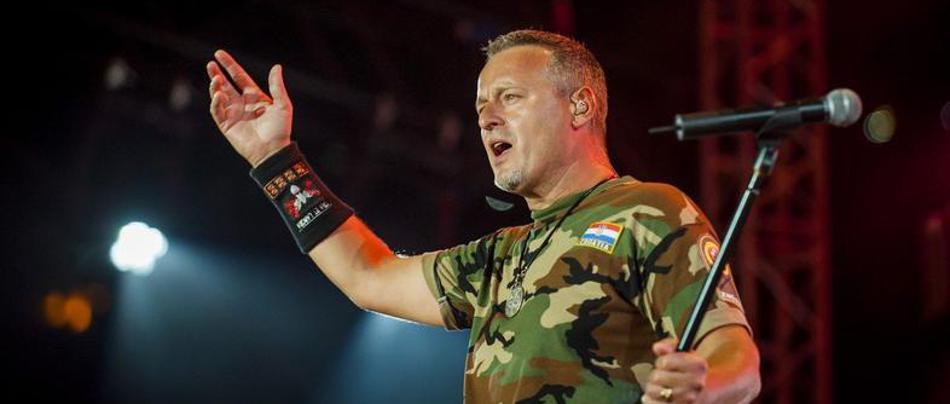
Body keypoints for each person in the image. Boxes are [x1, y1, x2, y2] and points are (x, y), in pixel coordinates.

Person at [207, 29, 760, 403]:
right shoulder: (501, 254)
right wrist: (275, 160)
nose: (487, 118)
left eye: (510, 97)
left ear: (580, 105)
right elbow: (368, 276)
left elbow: (736, 354)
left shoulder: (648, 210)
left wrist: (704, 382)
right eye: (480, 107)